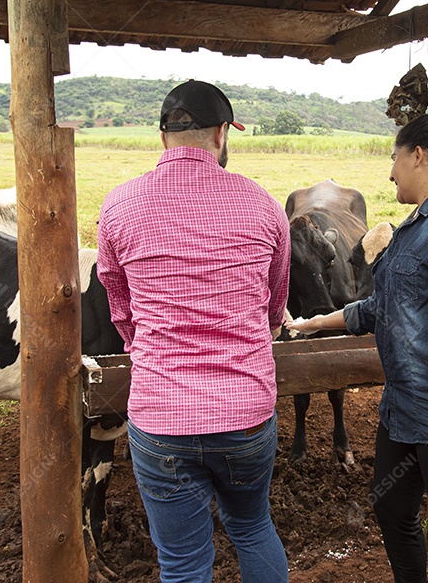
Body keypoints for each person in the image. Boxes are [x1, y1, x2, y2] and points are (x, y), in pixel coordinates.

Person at [288, 108, 428, 583]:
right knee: (392, 509)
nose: (389, 171)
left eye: (394, 157)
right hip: (406, 410)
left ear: (418, 155)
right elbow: (380, 307)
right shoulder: (417, 225)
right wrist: (314, 323)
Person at [96, 80, 291, 583]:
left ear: (163, 137)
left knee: (182, 561)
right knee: (251, 526)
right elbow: (274, 309)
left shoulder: (118, 207)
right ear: (222, 133)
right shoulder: (265, 206)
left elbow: (122, 311)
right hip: (246, 414)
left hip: (162, 419)